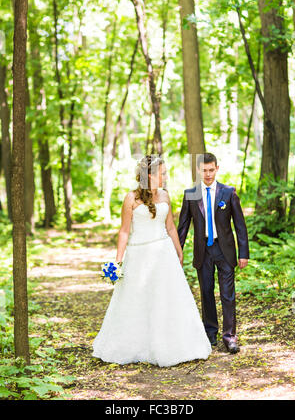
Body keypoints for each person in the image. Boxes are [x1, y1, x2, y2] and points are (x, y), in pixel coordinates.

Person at [92, 155, 212, 367]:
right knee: (136, 300)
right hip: (138, 256)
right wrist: (118, 262)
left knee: (166, 299)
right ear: (150, 176)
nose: (166, 177)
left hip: (163, 254)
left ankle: (171, 344)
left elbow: (171, 227)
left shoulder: (165, 196)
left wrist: (178, 250)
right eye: (162, 173)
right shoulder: (131, 198)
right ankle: (135, 345)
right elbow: (124, 231)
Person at [177, 153, 249, 354]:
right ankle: (210, 334)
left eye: (211, 170)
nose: (208, 174)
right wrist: (176, 253)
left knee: (228, 295)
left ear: (217, 168)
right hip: (203, 251)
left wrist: (243, 253)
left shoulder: (228, 192)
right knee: (206, 292)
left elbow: (240, 226)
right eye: (204, 170)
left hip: (224, 249)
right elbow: (183, 227)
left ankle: (230, 337)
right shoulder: (190, 193)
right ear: (198, 170)